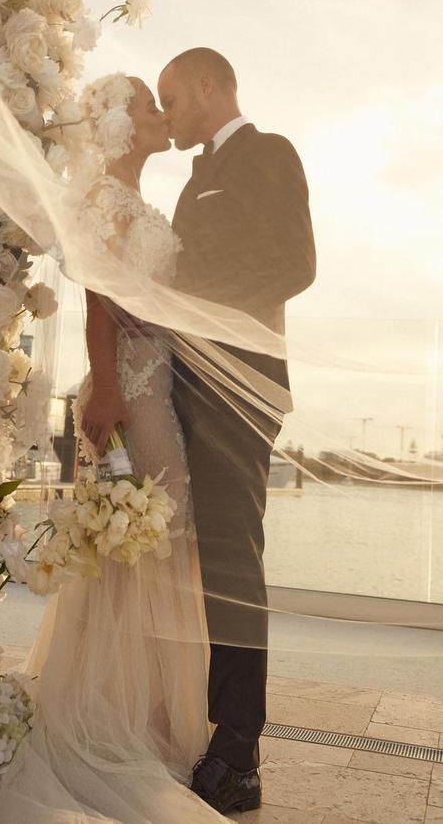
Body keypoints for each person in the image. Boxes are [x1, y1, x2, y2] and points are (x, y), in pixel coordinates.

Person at [0, 72, 237, 824]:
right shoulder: (104, 204)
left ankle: (146, 719)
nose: (162, 116)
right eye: (151, 107)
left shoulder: (140, 204)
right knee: (140, 545)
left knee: (152, 545)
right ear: (121, 126)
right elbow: (99, 303)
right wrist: (113, 396)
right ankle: (116, 722)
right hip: (133, 393)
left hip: (159, 388)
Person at [158, 47, 317, 814]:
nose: (168, 115)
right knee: (181, 559)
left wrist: (195, 310)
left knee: (231, 560)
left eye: (173, 100)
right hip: (180, 384)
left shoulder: (268, 153)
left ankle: (238, 748)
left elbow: (295, 265)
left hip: (238, 390)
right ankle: (182, 713)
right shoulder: (191, 180)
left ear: (210, 87)